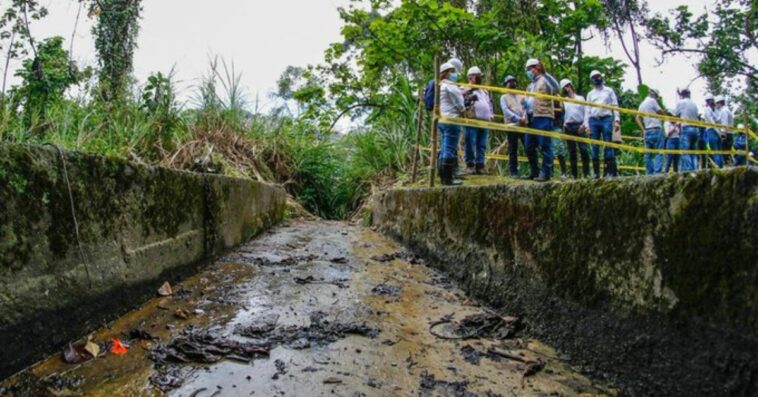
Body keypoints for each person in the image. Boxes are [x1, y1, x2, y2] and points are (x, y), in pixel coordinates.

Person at [584, 70, 621, 178]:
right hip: (593, 120)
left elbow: (615, 105)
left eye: (598, 76)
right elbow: (587, 110)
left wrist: (617, 120)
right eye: (594, 77)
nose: (597, 78)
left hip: (606, 118)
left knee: (608, 144)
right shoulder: (590, 94)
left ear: (601, 77)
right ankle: (596, 173)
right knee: (594, 146)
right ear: (592, 80)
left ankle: (609, 171)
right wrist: (587, 125)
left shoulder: (609, 91)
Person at [525, 58, 555, 182]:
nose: (528, 72)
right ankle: (534, 171)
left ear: (536, 68)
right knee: (528, 146)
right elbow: (530, 102)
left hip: (543, 116)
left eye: (530, 69)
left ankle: (546, 173)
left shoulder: (545, 80)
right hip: (531, 117)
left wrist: (545, 73)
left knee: (545, 145)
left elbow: (556, 88)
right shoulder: (529, 86)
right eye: (527, 70)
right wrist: (524, 105)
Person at [437, 62, 465, 186]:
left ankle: (443, 177)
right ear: (446, 73)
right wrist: (463, 111)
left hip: (442, 119)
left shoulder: (440, 85)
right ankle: (448, 179)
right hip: (451, 119)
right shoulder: (450, 85)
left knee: (444, 147)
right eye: (452, 71)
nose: (454, 74)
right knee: (449, 148)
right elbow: (459, 102)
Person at [462, 66, 494, 174]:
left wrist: (491, 114)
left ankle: (480, 165)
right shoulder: (465, 88)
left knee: (482, 144)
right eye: (478, 76)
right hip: (472, 119)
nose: (480, 78)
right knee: (470, 142)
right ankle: (470, 165)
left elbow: (489, 103)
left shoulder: (484, 91)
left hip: (484, 121)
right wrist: (470, 89)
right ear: (471, 77)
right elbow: (460, 99)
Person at [559, 79, 590, 178]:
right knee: (572, 152)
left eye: (568, 86)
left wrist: (584, 125)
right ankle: (574, 175)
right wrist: (563, 129)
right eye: (564, 87)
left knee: (584, 150)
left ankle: (587, 173)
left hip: (580, 125)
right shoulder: (563, 101)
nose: (567, 88)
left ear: (571, 86)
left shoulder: (580, 98)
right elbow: (563, 115)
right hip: (568, 127)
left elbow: (586, 112)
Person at [500, 75, 527, 178]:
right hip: (511, 125)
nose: (512, 84)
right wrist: (518, 118)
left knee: (528, 146)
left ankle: (533, 170)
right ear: (506, 85)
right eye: (509, 82)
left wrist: (524, 117)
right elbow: (506, 111)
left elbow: (525, 107)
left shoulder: (521, 95)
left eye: (513, 81)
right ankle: (513, 172)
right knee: (513, 149)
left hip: (523, 125)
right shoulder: (504, 97)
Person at [635, 89, 666, 175]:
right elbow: (661, 112)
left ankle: (649, 173)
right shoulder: (653, 101)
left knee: (648, 154)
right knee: (659, 152)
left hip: (647, 130)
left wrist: (643, 129)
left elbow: (637, 117)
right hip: (656, 129)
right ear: (655, 95)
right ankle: (657, 173)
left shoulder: (642, 104)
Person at [673, 88, 700, 171]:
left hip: (686, 128)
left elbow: (676, 115)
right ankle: (695, 171)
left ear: (682, 95)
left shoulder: (681, 102)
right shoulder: (694, 104)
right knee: (694, 152)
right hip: (696, 129)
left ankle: (688, 172)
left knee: (685, 151)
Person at [702, 94, 724, 168]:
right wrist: (720, 132)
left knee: (716, 152)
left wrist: (718, 132)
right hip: (717, 131)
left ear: (706, 101)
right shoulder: (715, 110)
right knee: (719, 151)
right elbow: (718, 120)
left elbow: (712, 122)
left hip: (712, 131)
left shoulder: (707, 110)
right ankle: (722, 168)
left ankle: (719, 169)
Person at [716, 96, 734, 165]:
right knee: (727, 153)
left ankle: (727, 168)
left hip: (726, 135)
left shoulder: (724, 111)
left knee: (725, 154)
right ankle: (728, 166)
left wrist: (723, 137)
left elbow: (724, 124)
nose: (716, 105)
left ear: (720, 103)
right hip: (729, 134)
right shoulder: (726, 110)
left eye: (717, 103)